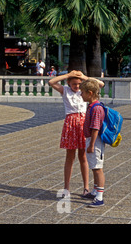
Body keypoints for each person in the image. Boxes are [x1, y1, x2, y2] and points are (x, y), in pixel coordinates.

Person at [49, 70, 104, 198]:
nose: (77, 86)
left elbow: (100, 84)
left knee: (83, 156)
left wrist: (84, 77)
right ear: (69, 83)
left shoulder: (83, 91)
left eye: (79, 84)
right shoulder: (65, 91)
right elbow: (51, 82)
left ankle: (86, 187)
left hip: (83, 123)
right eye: (74, 84)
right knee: (70, 156)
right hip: (71, 123)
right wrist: (68, 75)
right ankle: (66, 187)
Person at [80, 79, 106, 207]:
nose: (81, 95)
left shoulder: (96, 108)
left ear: (90, 93)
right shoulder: (92, 106)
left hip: (95, 141)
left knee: (97, 169)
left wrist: (91, 145)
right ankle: (96, 191)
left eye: (82, 92)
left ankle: (100, 197)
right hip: (92, 140)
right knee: (94, 166)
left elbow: (95, 128)